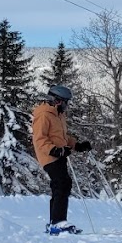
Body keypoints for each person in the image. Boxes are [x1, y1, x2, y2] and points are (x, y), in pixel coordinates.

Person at [30, 85, 91, 234]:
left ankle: (55, 223)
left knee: (62, 185)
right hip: (49, 156)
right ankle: (57, 222)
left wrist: (77, 145)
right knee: (61, 184)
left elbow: (62, 138)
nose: (67, 106)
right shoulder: (44, 114)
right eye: (65, 102)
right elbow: (39, 139)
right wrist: (54, 150)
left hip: (59, 155)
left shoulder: (58, 115)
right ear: (57, 101)